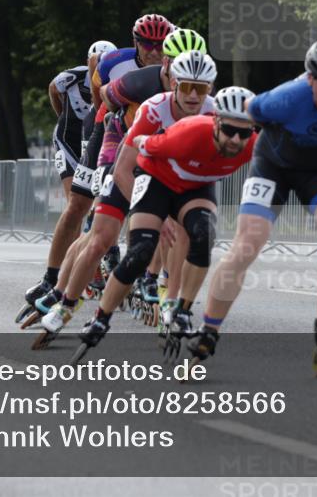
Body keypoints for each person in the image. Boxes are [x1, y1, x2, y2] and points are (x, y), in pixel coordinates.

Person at [190, 39, 317, 380]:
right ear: (310, 79)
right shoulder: (283, 100)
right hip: (273, 167)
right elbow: (249, 114)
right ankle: (209, 328)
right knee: (249, 241)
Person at [30, 45, 218, 349]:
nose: (194, 97)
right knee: (101, 235)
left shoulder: (213, 112)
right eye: (186, 88)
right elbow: (122, 169)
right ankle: (65, 302)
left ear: (210, 88)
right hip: (121, 154)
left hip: (164, 168)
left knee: (183, 227)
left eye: (201, 89)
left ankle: (170, 296)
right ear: (173, 83)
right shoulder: (153, 104)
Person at [71, 86, 258, 363]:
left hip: (195, 186)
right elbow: (139, 148)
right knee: (141, 252)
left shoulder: (255, 146)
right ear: (215, 122)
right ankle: (101, 317)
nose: (234, 139)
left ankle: (182, 310)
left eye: (244, 133)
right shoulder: (189, 132)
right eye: (229, 130)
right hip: (157, 176)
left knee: (203, 234)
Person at [15, 40, 115, 325]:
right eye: (96, 63)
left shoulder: (119, 79)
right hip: (68, 139)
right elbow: (52, 89)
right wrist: (61, 117)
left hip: (94, 139)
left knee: (97, 204)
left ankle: (94, 260)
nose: (101, 70)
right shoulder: (72, 76)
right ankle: (54, 277)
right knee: (76, 203)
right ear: (89, 61)